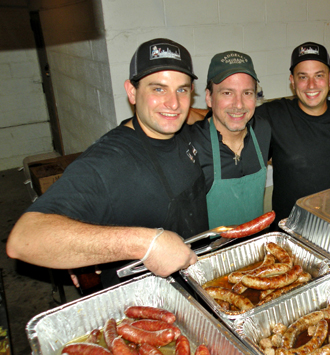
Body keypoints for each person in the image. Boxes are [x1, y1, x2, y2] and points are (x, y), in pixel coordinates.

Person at [6, 38, 208, 288]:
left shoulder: (180, 130)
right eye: (158, 89)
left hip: (197, 284)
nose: (173, 103)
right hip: (148, 308)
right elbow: (25, 239)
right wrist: (146, 243)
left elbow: (197, 113)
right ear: (132, 92)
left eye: (182, 89)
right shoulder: (110, 159)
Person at [256, 42, 330, 227]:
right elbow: (231, 114)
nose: (311, 85)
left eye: (319, 76)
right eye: (303, 77)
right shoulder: (274, 115)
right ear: (292, 81)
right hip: (289, 229)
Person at [189, 51, 271, 228]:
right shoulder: (192, 144)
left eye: (247, 93)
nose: (239, 104)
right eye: (227, 93)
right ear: (209, 98)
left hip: (254, 250)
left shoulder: (263, 131)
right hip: (210, 253)